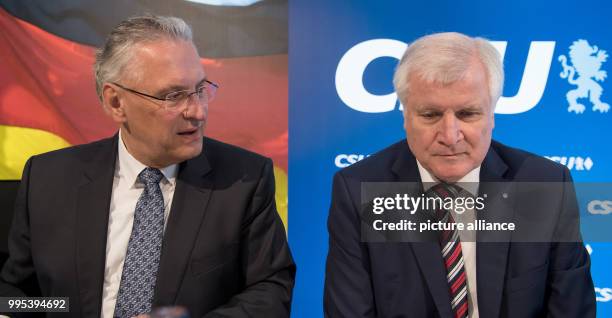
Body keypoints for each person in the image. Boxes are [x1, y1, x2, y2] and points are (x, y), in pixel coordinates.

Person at [0, 15, 295, 318]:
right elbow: (16, 296)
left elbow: (271, 292)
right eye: (173, 95)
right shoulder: (49, 177)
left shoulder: (243, 180)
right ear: (116, 102)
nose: (197, 111)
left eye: (200, 89)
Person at [324, 32, 595, 317]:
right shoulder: (359, 190)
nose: (450, 136)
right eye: (430, 114)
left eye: (467, 114)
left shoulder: (546, 185)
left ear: (492, 114)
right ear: (405, 116)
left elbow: (572, 309)